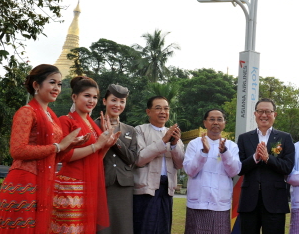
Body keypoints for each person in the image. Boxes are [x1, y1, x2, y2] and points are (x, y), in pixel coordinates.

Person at [0, 64, 84, 234]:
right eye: (52, 82)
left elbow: (53, 155)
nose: (57, 88)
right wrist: (59, 146)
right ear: (36, 85)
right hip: (23, 185)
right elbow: (18, 151)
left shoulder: (51, 116)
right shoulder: (26, 112)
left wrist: (69, 145)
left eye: (59, 84)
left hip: (43, 183)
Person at [51, 76, 120, 234]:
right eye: (87, 96)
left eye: (95, 97)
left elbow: (95, 159)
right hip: (70, 186)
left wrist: (106, 146)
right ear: (74, 97)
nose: (92, 101)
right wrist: (97, 145)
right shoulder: (65, 121)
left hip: (88, 186)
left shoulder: (92, 124)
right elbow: (66, 155)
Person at [236, 98, 295, 234]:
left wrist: (268, 158)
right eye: (260, 111)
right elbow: (239, 168)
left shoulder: (284, 138)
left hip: (275, 200)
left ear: (275, 114)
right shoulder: (244, 138)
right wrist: (255, 158)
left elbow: (287, 167)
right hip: (249, 200)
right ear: (255, 114)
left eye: (268, 111)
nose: (264, 115)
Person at [183, 109, 241, 234]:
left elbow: (234, 171)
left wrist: (225, 152)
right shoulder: (194, 144)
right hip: (198, 203)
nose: (216, 122)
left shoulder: (231, 146)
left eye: (219, 119)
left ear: (224, 123)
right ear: (205, 123)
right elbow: (190, 171)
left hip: (220, 204)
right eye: (212, 119)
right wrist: (203, 152)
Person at [133, 96, 184, 234]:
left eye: (166, 108)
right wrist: (163, 141)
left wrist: (174, 144)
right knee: (144, 227)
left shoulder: (173, 133)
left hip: (166, 188)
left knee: (164, 227)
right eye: (158, 108)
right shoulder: (139, 130)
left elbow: (179, 164)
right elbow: (139, 158)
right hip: (146, 189)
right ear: (148, 111)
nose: (163, 111)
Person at [95, 84, 138, 234]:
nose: (117, 105)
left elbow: (132, 159)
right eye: (114, 100)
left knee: (122, 226)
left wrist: (115, 141)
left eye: (122, 101)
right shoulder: (93, 125)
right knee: (101, 227)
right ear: (105, 101)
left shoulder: (130, 130)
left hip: (123, 186)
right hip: (100, 182)